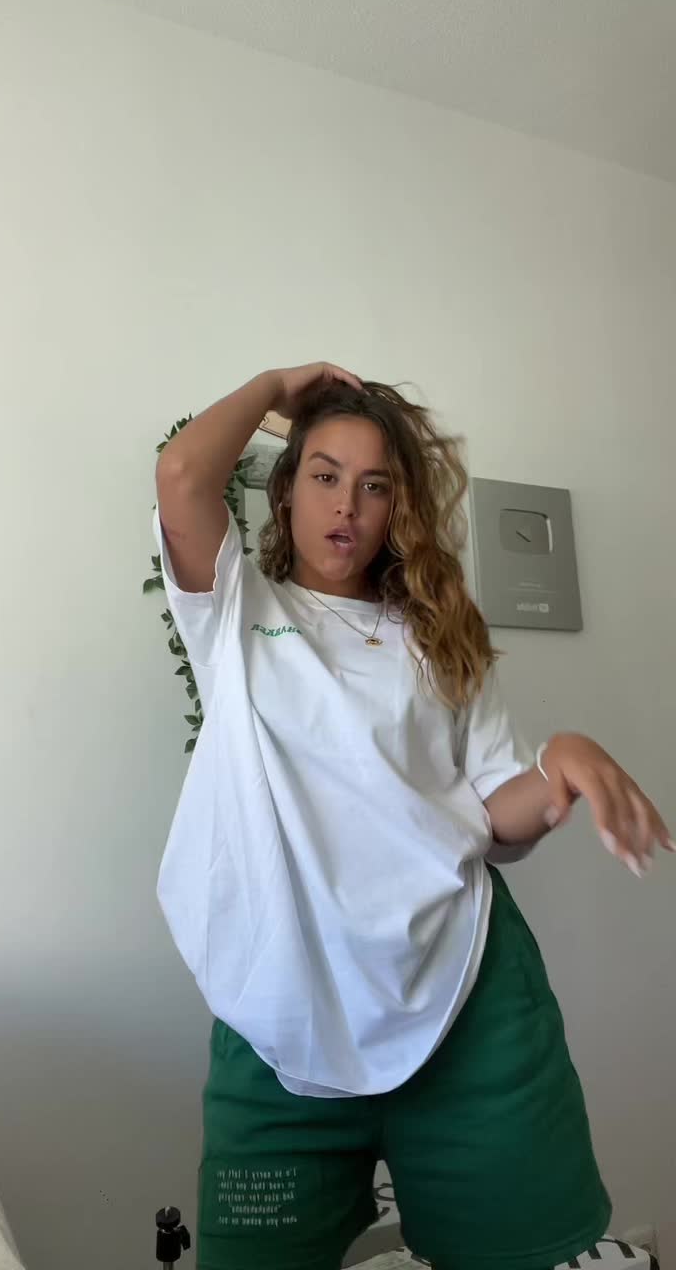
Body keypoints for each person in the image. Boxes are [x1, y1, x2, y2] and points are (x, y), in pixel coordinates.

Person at [153, 363, 672, 1270]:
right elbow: (183, 474)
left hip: (466, 998)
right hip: (283, 1020)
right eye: (324, 475)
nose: (346, 504)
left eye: (375, 485)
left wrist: (558, 762)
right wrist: (279, 384)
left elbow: (495, 815)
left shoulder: (439, 637)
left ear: (398, 507)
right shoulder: (237, 611)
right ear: (285, 490)